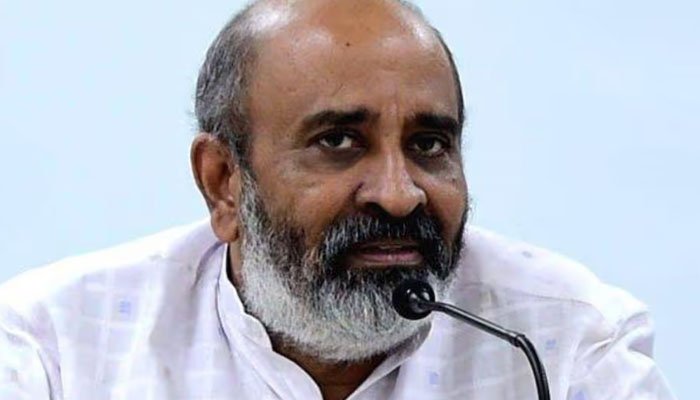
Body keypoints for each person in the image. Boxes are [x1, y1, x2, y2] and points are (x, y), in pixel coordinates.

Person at [0, 0, 676, 399]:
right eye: (339, 142)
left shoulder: (568, 343)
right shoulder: (55, 347)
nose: (399, 194)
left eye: (429, 144)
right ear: (224, 182)